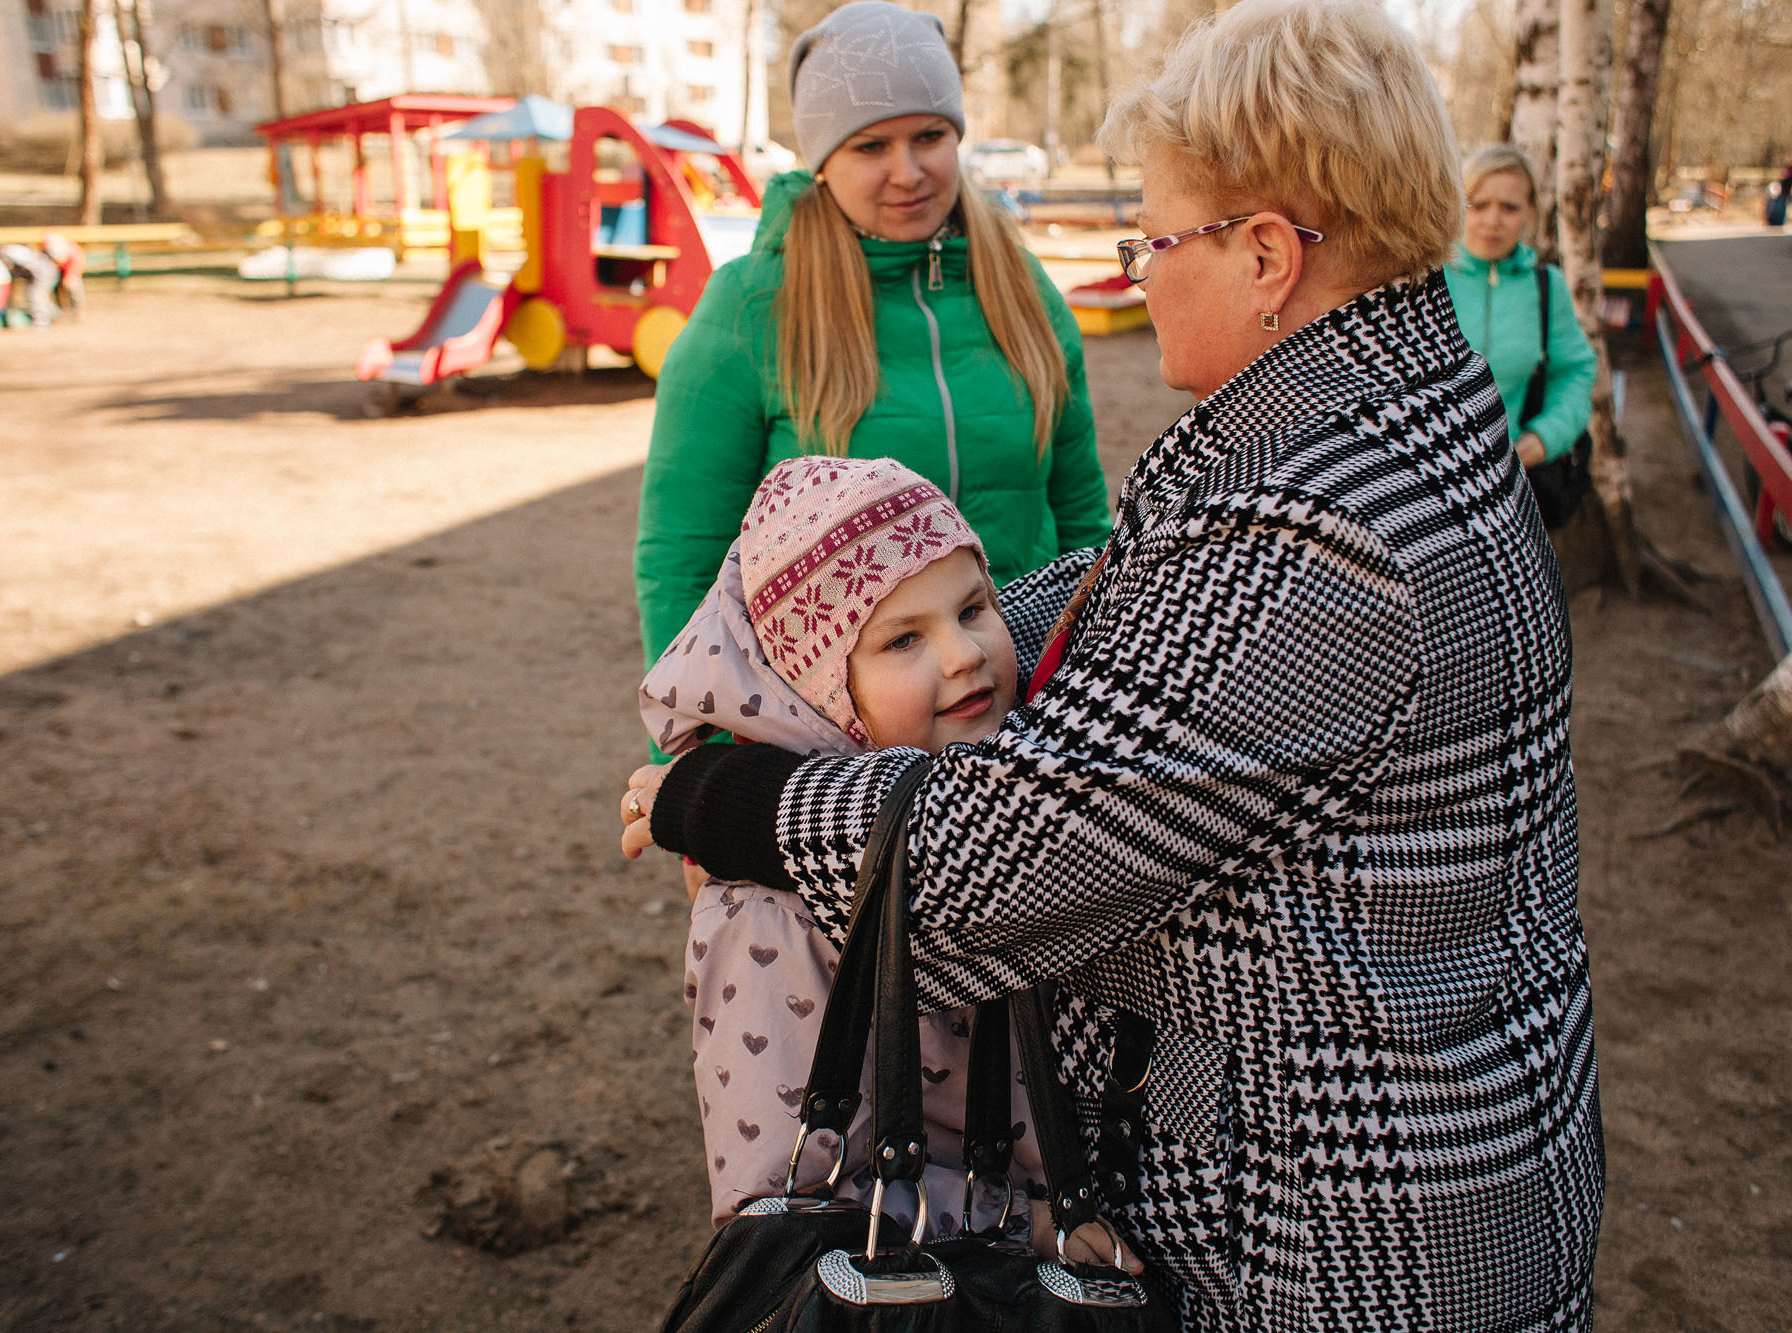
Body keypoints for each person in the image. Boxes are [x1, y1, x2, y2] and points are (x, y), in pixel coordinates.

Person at [623, 2, 1602, 1330]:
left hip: (1343, 1237)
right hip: (1433, 1149)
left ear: (1267, 256)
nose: (1139, 271)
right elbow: (1126, 597)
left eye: (1155, 237)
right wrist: (832, 679)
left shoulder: (1329, 524)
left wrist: (737, 806)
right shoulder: (1389, 410)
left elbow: (1010, 858)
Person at [641, 455, 1134, 1265]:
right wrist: (1024, 1222)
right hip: (954, 1282)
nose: (965, 655)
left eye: (974, 608)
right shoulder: (768, 913)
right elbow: (791, 1202)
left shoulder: (1009, 800)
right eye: (904, 638)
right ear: (823, 692)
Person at [634, 0, 1113, 686]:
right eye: (870, 146)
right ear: (822, 161)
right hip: (834, 743)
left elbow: (1081, 518)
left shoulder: (1022, 289)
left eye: (929, 136)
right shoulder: (750, 308)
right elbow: (682, 562)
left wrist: (1088, 679)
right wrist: (700, 771)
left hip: (1022, 700)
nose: (909, 171)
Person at [1442, 145, 1597, 476]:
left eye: (1509, 207)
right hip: (1421, 481)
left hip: (1508, 480)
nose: (1492, 221)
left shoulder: (1547, 286)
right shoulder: (1424, 279)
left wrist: (1545, 437)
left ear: (1530, 211)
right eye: (1478, 204)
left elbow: (1575, 372)